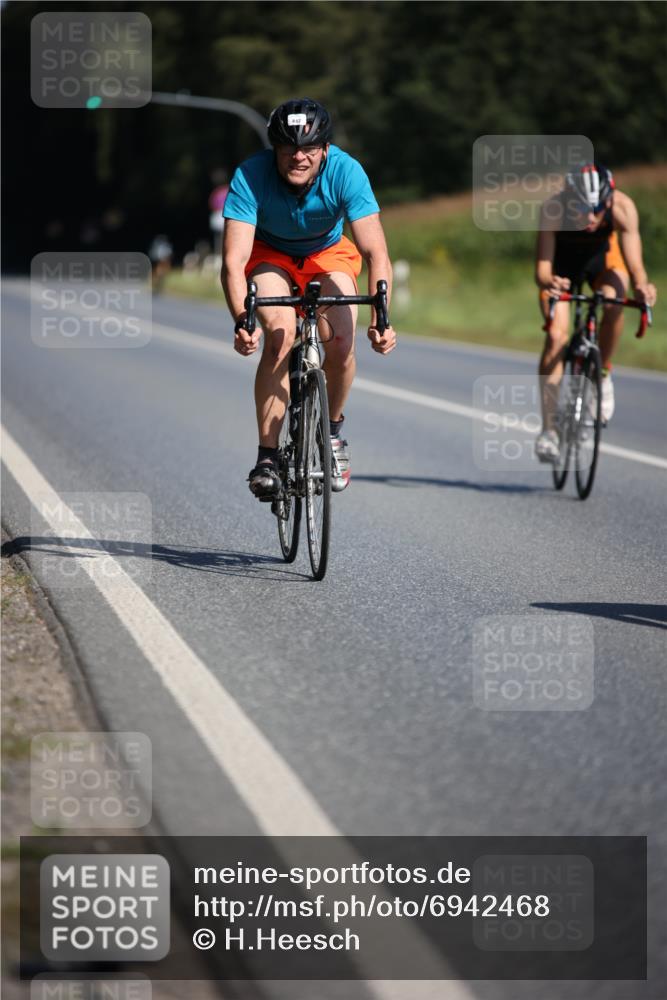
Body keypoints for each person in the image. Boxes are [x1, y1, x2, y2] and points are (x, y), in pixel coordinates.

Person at [220, 97, 396, 496]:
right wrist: (241, 321)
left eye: (308, 149)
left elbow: (375, 253)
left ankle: (332, 434)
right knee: (280, 336)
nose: (298, 157)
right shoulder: (251, 175)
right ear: (274, 149)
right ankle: (267, 457)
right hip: (270, 256)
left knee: (342, 341)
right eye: (288, 148)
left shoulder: (347, 171)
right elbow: (234, 261)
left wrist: (380, 319)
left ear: (325, 150)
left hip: (327, 253)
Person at [534, 163, 657, 462]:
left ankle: (602, 374)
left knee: (616, 299)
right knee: (556, 337)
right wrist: (552, 282)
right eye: (580, 209)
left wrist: (643, 286)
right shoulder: (553, 209)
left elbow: (633, 263)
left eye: (597, 209)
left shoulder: (623, 208)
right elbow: (542, 269)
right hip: (561, 269)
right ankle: (549, 431)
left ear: (608, 200)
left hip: (601, 262)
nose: (590, 218)